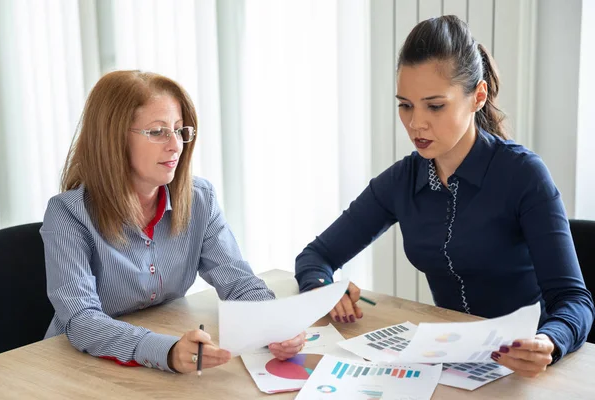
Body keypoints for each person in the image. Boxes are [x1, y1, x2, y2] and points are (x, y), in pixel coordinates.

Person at [294, 15, 594, 378]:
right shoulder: (402, 180)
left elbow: (574, 301)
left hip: (526, 368)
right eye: (405, 105)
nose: (415, 123)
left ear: (477, 97)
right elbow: (316, 256)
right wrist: (324, 288)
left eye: (434, 106)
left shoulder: (524, 175)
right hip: (451, 364)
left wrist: (549, 341)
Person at [41, 70, 304, 374]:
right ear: (114, 139)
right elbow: (82, 320)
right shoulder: (68, 214)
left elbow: (238, 282)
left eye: (180, 130)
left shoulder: (199, 199)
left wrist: (273, 323)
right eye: (158, 132)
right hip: (76, 367)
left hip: (151, 367)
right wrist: (165, 351)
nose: (176, 145)